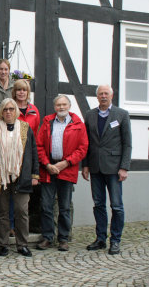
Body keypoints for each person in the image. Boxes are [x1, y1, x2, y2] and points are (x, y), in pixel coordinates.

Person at [0, 98, 39, 257]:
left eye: (11, 109)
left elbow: (33, 152)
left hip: (21, 176)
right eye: (5, 109)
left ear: (16, 111)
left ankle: (22, 244)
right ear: (1, 111)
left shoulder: (26, 128)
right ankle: (4, 244)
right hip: (1, 177)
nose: (8, 112)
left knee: (21, 211)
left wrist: (35, 174)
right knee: (2, 212)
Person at [82, 84, 132, 255]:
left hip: (114, 168)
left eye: (106, 93)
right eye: (100, 94)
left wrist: (124, 167)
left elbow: (127, 143)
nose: (103, 96)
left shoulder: (122, 115)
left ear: (111, 95)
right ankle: (101, 238)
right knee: (98, 205)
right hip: (95, 167)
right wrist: (86, 165)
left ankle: (115, 240)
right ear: (97, 97)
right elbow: (86, 142)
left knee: (117, 206)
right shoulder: (90, 115)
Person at [36, 95, 88, 251]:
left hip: (67, 168)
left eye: (64, 104)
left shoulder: (78, 124)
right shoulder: (47, 122)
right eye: (58, 105)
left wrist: (66, 163)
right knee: (46, 206)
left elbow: (83, 148)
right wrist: (47, 164)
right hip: (48, 169)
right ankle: (47, 237)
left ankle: (63, 238)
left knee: (64, 207)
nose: (61, 107)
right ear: (54, 107)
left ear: (69, 106)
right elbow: (39, 146)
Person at [13, 78, 40, 236]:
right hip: (11, 154)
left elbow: (35, 135)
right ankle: (10, 225)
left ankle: (22, 228)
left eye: (24, 90)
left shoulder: (34, 111)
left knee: (23, 196)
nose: (21, 92)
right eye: (18, 89)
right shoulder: (10, 108)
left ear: (27, 92)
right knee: (10, 193)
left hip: (27, 155)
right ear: (14, 92)